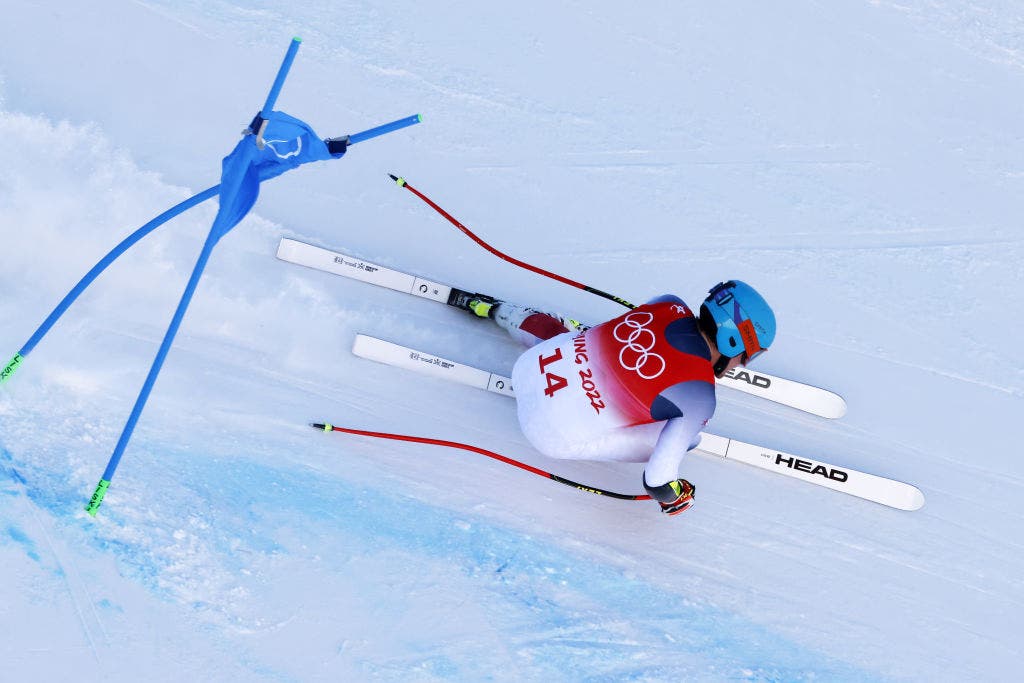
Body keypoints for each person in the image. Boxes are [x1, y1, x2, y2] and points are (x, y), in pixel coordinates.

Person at [452, 281, 776, 515]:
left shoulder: (668, 302)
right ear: (735, 342)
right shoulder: (699, 395)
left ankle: (498, 311)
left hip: (529, 367)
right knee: (689, 438)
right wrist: (675, 496)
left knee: (578, 339)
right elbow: (658, 480)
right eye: (747, 357)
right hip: (548, 434)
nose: (741, 364)